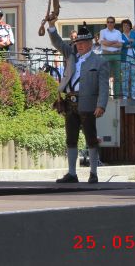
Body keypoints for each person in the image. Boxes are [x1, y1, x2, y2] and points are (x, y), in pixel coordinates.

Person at [47, 20, 110, 184]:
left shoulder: (100, 61)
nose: (79, 45)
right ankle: (72, 173)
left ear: (90, 43)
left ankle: (94, 173)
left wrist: (101, 105)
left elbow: (104, 86)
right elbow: (57, 42)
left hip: (87, 102)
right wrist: (52, 26)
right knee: (71, 138)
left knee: (91, 138)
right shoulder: (71, 55)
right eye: (77, 43)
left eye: (82, 43)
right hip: (70, 101)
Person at [99, 16, 123, 97]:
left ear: (114, 23)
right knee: (105, 77)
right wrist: (114, 42)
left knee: (117, 77)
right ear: (106, 23)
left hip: (116, 55)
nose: (110, 23)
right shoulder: (102, 31)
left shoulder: (118, 32)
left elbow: (120, 44)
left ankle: (116, 96)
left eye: (111, 22)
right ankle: (105, 96)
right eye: (108, 22)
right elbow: (103, 43)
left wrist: (108, 42)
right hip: (106, 54)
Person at [120, 19, 135, 99]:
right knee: (125, 78)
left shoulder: (134, 33)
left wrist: (129, 44)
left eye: (127, 25)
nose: (126, 27)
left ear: (130, 26)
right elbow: (121, 44)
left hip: (133, 58)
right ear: (122, 27)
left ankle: (133, 95)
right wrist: (129, 41)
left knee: (134, 77)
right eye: (124, 25)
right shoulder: (120, 35)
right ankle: (125, 95)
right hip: (124, 58)